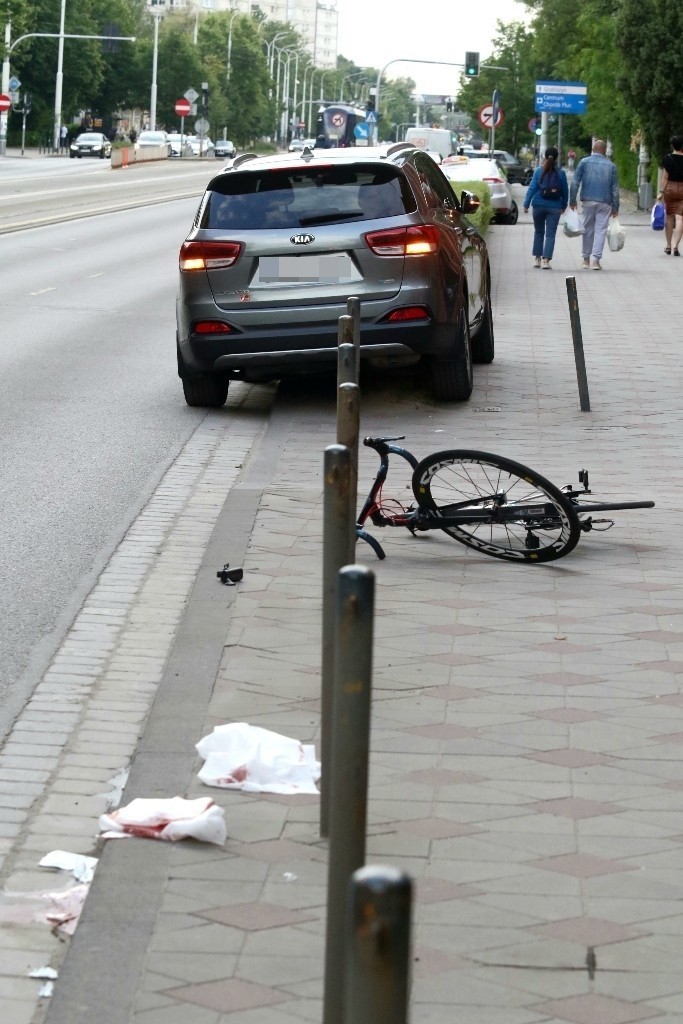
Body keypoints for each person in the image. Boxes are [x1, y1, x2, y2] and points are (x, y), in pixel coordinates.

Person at [569, 139, 619, 270]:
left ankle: (585, 259)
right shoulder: (611, 165)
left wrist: (572, 200)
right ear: (604, 151)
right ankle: (596, 260)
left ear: (593, 150)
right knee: (601, 230)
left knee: (587, 229)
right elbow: (615, 189)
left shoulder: (584, 162)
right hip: (605, 202)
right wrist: (615, 207)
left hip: (588, 200)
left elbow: (575, 183)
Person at [523, 146, 568, 269]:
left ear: (545, 156)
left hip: (538, 205)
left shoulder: (538, 171)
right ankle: (546, 261)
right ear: (557, 158)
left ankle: (537, 259)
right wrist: (564, 205)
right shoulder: (561, 173)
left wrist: (526, 204)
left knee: (538, 232)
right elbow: (565, 191)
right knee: (550, 234)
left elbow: (532, 188)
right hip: (554, 206)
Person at [657, 135, 683, 256]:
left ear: (672, 145)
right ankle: (675, 246)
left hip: (670, 189)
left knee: (669, 217)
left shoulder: (667, 158)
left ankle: (668, 246)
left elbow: (665, 178)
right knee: (680, 218)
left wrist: (661, 192)